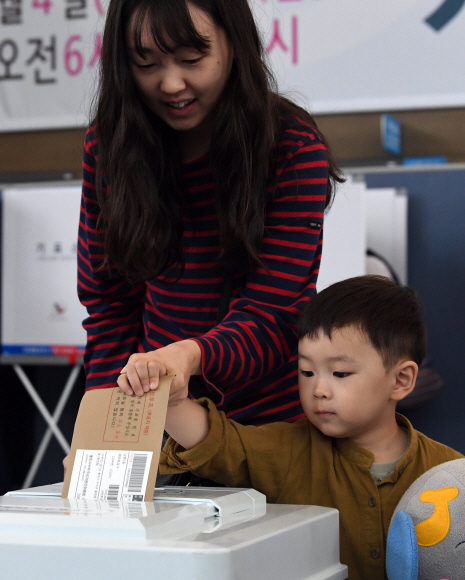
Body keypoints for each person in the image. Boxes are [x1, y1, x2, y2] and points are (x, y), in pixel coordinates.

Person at [79, 0, 341, 427]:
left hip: (268, 424)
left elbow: (270, 314)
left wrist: (189, 355)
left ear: (234, 45)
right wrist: (103, 425)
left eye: (191, 60)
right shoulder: (111, 148)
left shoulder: (290, 148)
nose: (170, 84)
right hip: (160, 415)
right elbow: (110, 306)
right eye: (145, 64)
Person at [158, 276, 463, 580]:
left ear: (401, 380)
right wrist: (167, 396)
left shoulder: (449, 471)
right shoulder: (287, 450)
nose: (319, 389)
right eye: (306, 371)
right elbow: (217, 443)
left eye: (340, 373)